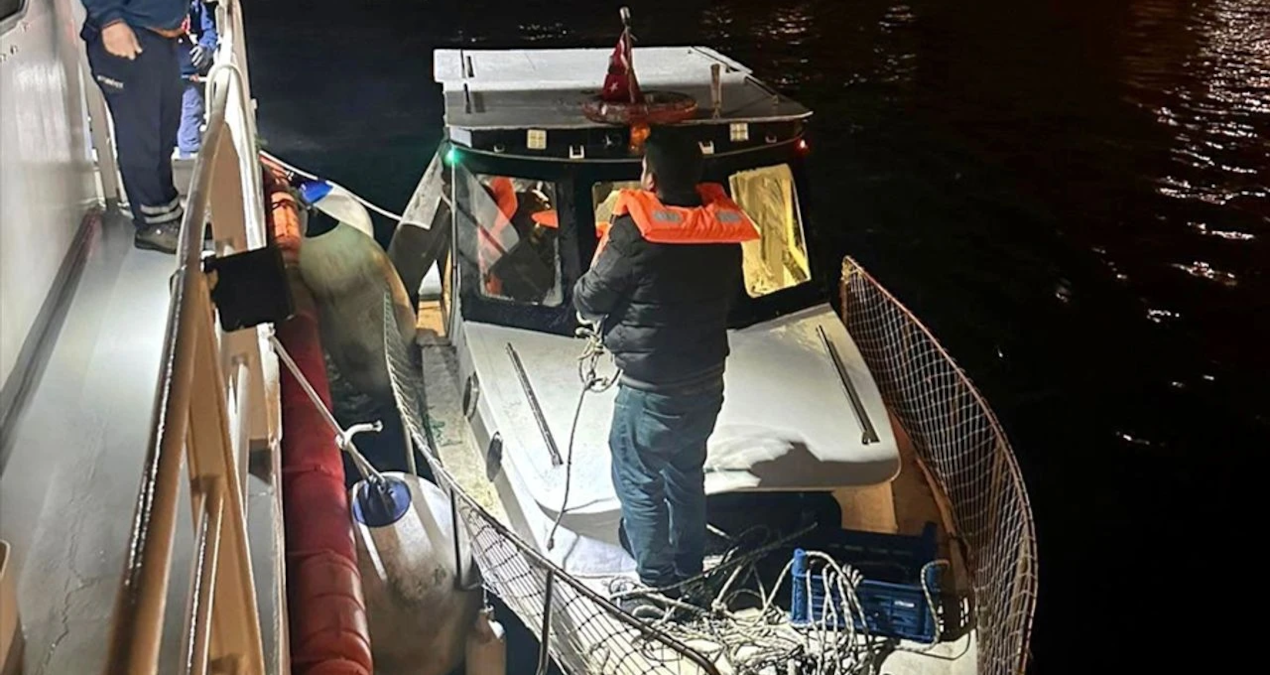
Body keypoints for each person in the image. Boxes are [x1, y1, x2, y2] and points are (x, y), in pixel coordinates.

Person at [573, 128, 759, 616]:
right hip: (707, 382)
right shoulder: (722, 233)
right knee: (686, 475)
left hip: (651, 391)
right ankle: (690, 570)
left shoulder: (634, 234)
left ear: (649, 177)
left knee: (638, 481)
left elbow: (590, 297)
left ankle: (658, 586)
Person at [80, 0, 189, 253]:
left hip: (160, 40)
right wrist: (110, 20)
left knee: (163, 135)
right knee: (141, 138)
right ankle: (151, 225)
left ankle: (169, 215)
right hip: (128, 35)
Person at [176, 1, 218, 159]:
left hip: (185, 77)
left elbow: (207, 31)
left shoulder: (192, 4)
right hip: (148, 78)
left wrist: (205, 47)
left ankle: (189, 163)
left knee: (190, 133)